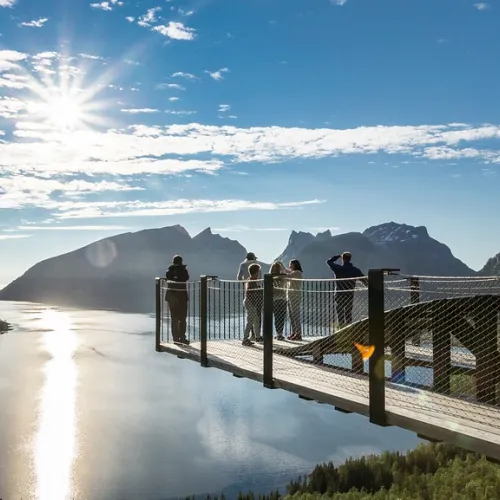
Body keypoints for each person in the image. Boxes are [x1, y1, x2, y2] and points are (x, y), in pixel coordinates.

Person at [326, 252, 367, 328]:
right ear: (350, 259)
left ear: (343, 259)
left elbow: (329, 262)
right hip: (349, 294)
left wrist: (337, 256)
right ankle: (349, 329)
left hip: (339, 294)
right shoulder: (355, 270)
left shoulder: (338, 269)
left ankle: (341, 330)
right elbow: (365, 281)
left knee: (340, 313)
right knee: (348, 313)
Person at [165, 255, 190, 345]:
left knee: (174, 319)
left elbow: (169, 278)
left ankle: (175, 338)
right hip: (182, 296)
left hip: (171, 297)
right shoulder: (184, 270)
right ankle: (182, 337)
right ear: (181, 262)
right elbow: (186, 278)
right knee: (182, 318)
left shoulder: (169, 271)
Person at [242, 263, 264, 346]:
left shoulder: (251, 280)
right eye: (258, 271)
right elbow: (252, 293)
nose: (259, 273)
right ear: (256, 272)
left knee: (256, 320)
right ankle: (245, 339)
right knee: (250, 321)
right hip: (250, 303)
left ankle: (258, 336)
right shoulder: (252, 281)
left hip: (251, 303)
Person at [281, 259, 303, 341]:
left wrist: (281, 270)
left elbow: (287, 275)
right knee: (291, 315)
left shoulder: (297, 272)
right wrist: (282, 266)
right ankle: (294, 332)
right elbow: (288, 272)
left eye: (291, 264)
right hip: (290, 296)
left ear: (295, 265)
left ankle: (299, 334)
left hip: (295, 296)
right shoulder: (294, 272)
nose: (290, 266)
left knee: (295, 315)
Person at [270, 261, 288, 341]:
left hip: (275, 299)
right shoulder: (283, 277)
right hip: (283, 299)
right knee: (281, 317)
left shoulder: (271, 278)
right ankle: (280, 334)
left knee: (277, 317)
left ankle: (278, 334)